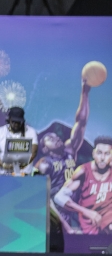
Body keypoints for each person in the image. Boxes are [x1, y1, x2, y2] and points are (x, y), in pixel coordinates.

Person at [36, 80, 91, 226]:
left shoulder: (69, 151)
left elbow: (81, 122)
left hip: (75, 210)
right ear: (45, 149)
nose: (56, 138)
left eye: (56, 136)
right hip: (54, 213)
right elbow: (37, 195)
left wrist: (85, 92)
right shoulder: (44, 164)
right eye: (50, 138)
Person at [55, 135, 112, 234]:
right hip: (89, 223)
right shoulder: (83, 171)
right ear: (93, 154)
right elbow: (59, 197)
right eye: (99, 153)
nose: (102, 158)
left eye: (107, 154)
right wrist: (85, 211)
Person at [0, 106, 38, 173]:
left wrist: (25, 164)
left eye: (19, 122)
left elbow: (34, 151)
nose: (16, 124)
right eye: (14, 121)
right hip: (4, 175)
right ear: (9, 119)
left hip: (24, 175)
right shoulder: (0, 132)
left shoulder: (31, 132)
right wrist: (4, 165)